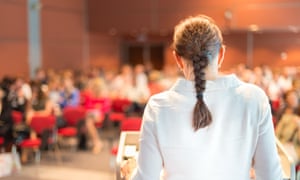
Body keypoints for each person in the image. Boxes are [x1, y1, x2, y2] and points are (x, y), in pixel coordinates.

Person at [125, 15, 282, 180]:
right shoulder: (255, 99)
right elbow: (271, 176)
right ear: (221, 54)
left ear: (178, 59)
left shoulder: (157, 106)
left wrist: (130, 174)